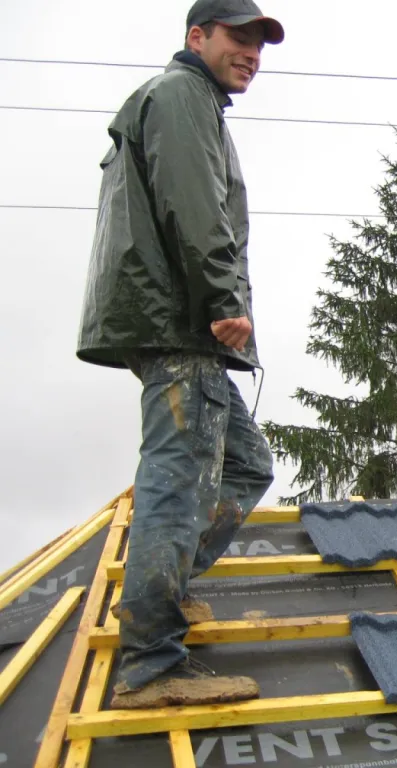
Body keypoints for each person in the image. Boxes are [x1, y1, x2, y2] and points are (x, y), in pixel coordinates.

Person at [76, 0, 284, 709]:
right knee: (179, 471)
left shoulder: (188, 101)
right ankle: (151, 664)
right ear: (197, 37)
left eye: (259, 45)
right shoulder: (182, 96)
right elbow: (195, 207)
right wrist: (226, 299)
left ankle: (157, 594)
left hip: (175, 320)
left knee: (249, 462)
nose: (251, 53)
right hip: (181, 320)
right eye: (239, 38)